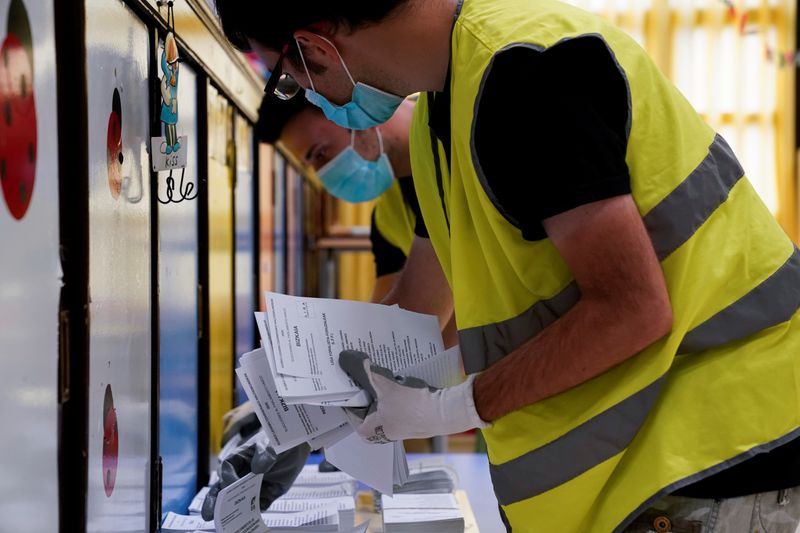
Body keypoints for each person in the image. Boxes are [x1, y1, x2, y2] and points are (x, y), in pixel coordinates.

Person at [215, 1, 800, 531]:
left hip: (722, 458)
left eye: (296, 82)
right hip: (656, 469)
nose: (311, 95)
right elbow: (416, 313)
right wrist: (295, 412)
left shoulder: (520, 71)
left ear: (316, 48)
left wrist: (452, 406)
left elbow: (632, 309)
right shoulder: (439, 114)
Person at [256, 94, 458, 345]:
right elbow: (386, 317)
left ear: (356, 112)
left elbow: (425, 314)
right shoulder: (387, 220)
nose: (322, 174)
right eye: (311, 165)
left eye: (321, 153)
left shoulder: (451, 127)